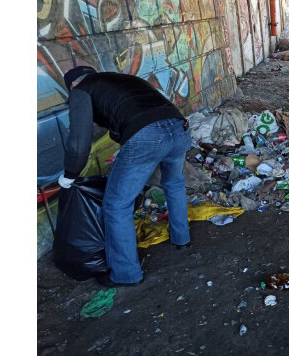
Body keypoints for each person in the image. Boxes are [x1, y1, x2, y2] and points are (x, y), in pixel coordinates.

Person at [58, 66, 192, 287]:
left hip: (147, 136)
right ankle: (182, 239)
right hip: (180, 128)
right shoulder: (121, 79)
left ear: (72, 85)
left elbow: (79, 142)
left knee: (117, 205)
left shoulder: (80, 91)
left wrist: (70, 174)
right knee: (174, 183)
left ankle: (125, 274)